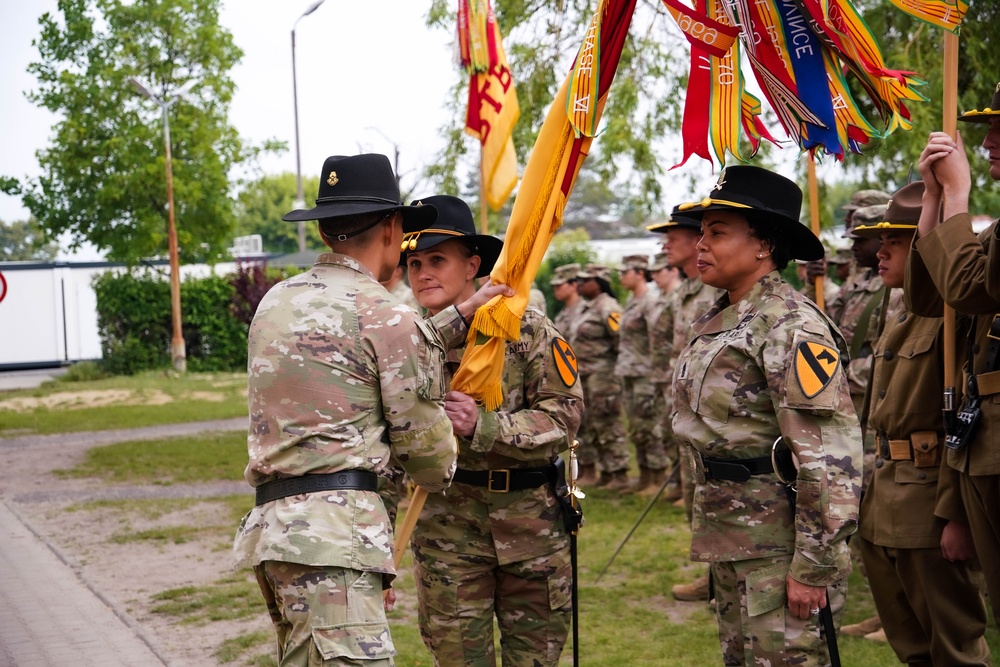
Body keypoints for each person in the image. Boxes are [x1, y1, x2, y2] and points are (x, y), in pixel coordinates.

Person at [232, 154, 510, 666]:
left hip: (277, 534)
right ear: (389, 226)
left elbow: (352, 350)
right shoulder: (385, 313)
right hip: (336, 544)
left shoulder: (276, 301)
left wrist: (455, 318)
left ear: (325, 231)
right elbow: (427, 456)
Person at [671, 165, 862, 666]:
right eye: (701, 233)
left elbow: (830, 459)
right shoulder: (725, 317)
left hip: (780, 549)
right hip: (734, 538)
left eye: (717, 232)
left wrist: (813, 566)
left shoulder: (789, 325)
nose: (700, 245)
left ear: (763, 246)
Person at [400, 195, 584, 667]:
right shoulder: (404, 344)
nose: (422, 273)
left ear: (473, 266)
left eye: (437, 260)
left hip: (532, 530)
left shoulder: (525, 329)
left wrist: (485, 426)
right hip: (448, 532)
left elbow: (563, 417)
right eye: (414, 262)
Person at [852, 182, 990, 665]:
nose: (879, 253)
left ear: (925, 244)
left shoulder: (955, 317)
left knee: (954, 648)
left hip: (930, 501)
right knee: (912, 648)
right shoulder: (898, 313)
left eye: (894, 241)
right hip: (885, 495)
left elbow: (965, 420)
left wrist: (955, 512)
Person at [907, 81, 1000, 625]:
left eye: (997, 129)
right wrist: (936, 198)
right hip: (984, 441)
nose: (987, 141)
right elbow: (929, 296)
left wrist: (960, 196)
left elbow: (968, 288)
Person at [647, 207, 724, 602]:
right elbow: (664, 342)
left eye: (672, 238)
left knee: (718, 497)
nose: (666, 245)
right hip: (684, 410)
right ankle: (711, 576)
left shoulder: (718, 290)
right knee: (694, 494)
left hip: (713, 413)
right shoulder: (685, 291)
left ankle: (721, 579)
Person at [569, 264, 629, 490]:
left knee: (608, 423)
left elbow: (619, 342)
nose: (581, 285)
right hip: (585, 375)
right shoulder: (587, 307)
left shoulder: (609, 307)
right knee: (592, 423)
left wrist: (612, 371)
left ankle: (619, 473)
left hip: (603, 375)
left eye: (586, 280)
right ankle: (605, 471)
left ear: (599, 282)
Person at [615, 254, 667, 494]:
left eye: (625, 272)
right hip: (629, 371)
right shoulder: (631, 300)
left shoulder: (650, 301)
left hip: (645, 372)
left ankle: (658, 476)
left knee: (649, 426)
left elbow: (658, 338)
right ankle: (645, 475)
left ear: (639, 273)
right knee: (636, 426)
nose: (621, 277)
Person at [550, 263, 583, 339]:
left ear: (573, 285)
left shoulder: (586, 312)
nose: (555, 289)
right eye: (554, 286)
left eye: (559, 285)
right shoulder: (562, 315)